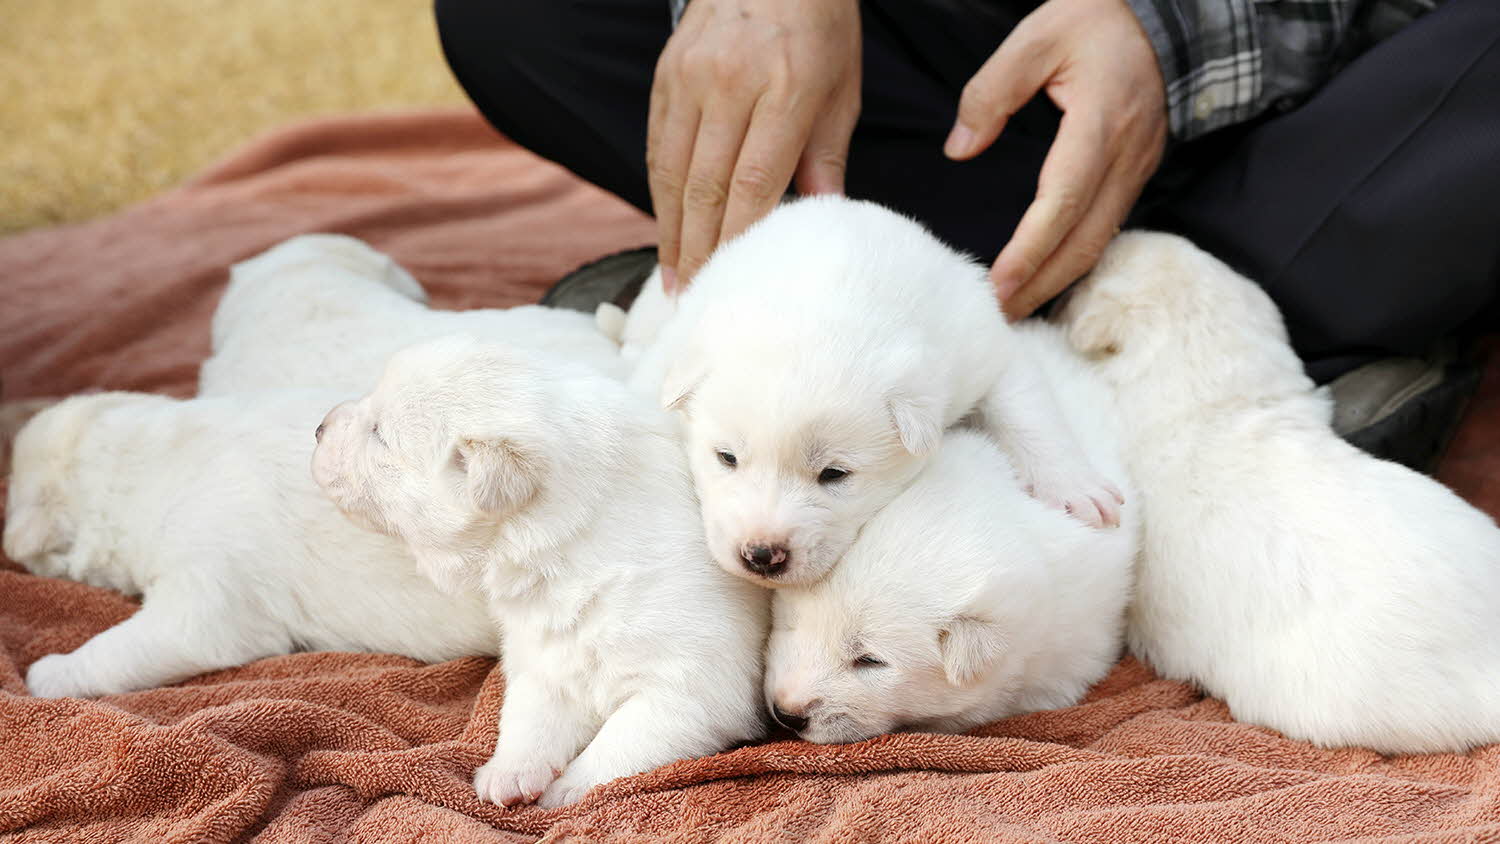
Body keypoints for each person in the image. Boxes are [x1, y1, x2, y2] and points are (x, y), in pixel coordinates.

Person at [434, 0, 1499, 470]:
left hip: (1344, 75)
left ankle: (811, 287)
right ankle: (1229, 346)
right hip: (982, 79)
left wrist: (1162, 34)